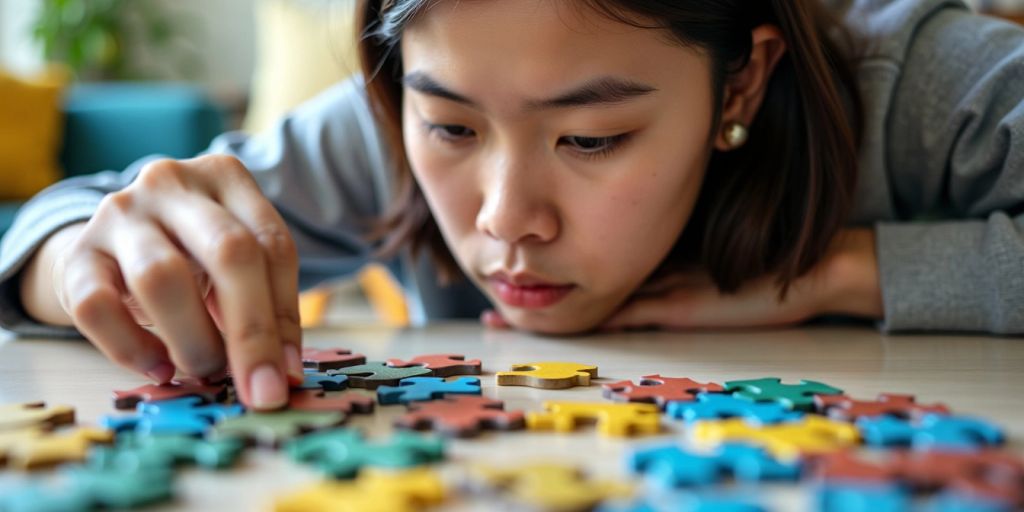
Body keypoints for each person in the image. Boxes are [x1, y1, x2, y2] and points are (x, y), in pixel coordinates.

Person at [1, 0, 1021, 410]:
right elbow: (66, 226)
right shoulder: (379, 130)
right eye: (450, 126)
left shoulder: (930, 82)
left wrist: (846, 271)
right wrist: (75, 256)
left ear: (742, 84)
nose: (502, 218)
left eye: (589, 138)